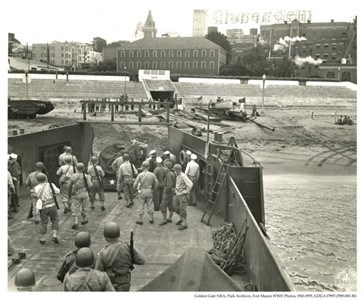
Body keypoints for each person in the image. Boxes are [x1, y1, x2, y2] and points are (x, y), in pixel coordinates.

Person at [95, 222, 145, 291]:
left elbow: (97, 273)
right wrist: (132, 249)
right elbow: (142, 260)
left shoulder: (103, 253)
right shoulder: (127, 247)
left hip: (110, 286)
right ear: (118, 234)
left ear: (106, 237)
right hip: (125, 284)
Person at [34, 173, 60, 244]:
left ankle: (43, 238)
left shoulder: (36, 188)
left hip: (43, 207)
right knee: (55, 220)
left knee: (43, 222)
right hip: (52, 206)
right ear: (45, 179)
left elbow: (36, 196)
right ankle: (54, 235)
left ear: (37, 180)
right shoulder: (50, 185)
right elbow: (58, 191)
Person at [68, 163, 93, 230]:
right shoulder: (86, 176)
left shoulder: (73, 176)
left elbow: (70, 185)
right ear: (83, 168)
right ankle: (84, 219)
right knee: (85, 207)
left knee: (75, 207)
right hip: (84, 193)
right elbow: (90, 185)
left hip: (76, 193)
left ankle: (76, 221)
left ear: (76, 168)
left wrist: (69, 195)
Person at [133, 161, 158, 225]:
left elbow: (135, 184)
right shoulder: (152, 174)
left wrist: (136, 190)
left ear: (142, 167)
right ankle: (151, 219)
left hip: (142, 190)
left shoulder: (140, 175)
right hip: (149, 190)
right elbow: (156, 183)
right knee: (150, 205)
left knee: (141, 205)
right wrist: (153, 189)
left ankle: (140, 220)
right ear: (148, 167)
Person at [172, 164, 193, 230]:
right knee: (175, 207)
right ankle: (181, 219)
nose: (174, 172)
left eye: (174, 170)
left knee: (183, 210)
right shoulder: (178, 176)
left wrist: (186, 191)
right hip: (177, 194)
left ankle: (184, 224)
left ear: (178, 171)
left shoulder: (183, 176)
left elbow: (190, 184)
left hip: (182, 196)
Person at [159, 161, 176, 226]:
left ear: (168, 168)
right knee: (171, 205)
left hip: (167, 193)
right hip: (171, 192)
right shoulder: (172, 173)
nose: (164, 168)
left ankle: (164, 220)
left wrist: (165, 191)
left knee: (163, 206)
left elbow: (168, 185)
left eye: (165, 167)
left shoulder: (168, 174)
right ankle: (170, 218)